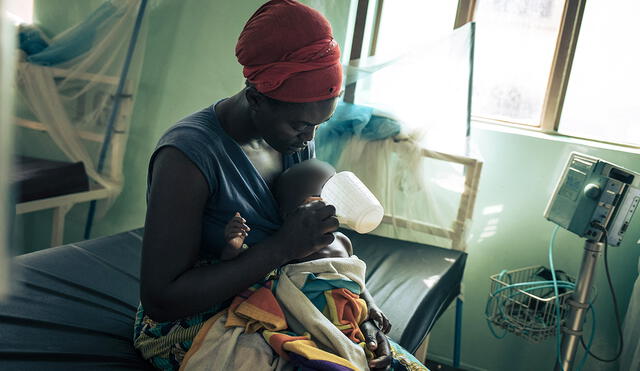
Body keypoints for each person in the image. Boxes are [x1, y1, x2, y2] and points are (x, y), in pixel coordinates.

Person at [134, 1, 426, 370]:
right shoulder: (187, 158)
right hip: (197, 323)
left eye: (319, 124)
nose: (309, 138)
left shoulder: (293, 140)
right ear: (256, 98)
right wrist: (283, 246)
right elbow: (162, 300)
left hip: (280, 296)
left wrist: (359, 307)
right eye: (301, 126)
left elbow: (316, 250)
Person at [221, 159, 392, 333]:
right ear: (289, 214)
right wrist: (232, 248)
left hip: (352, 318)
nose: (334, 203)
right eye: (322, 197)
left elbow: (356, 281)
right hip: (310, 324)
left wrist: (371, 306)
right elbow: (246, 275)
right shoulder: (288, 248)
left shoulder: (342, 241)